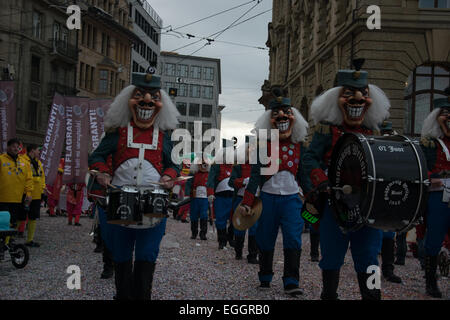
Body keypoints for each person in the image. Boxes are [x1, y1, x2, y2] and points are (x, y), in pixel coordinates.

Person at [302, 61, 391, 300]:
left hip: (366, 206)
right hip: (335, 204)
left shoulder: (374, 132)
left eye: (364, 94)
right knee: (331, 254)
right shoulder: (326, 131)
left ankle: (372, 296)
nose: (358, 99)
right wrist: (321, 182)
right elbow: (309, 159)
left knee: (370, 255)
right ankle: (329, 294)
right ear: (335, 100)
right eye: (349, 94)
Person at [88, 70, 181, 300]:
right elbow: (97, 156)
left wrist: (169, 176)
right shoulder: (117, 133)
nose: (146, 102)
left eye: (153, 97)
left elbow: (175, 164)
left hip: (153, 203)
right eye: (139, 95)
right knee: (120, 252)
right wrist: (102, 173)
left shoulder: (164, 136)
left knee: (147, 253)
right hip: (121, 201)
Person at [236, 88, 310, 296]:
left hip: (292, 200)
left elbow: (304, 176)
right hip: (268, 199)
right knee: (265, 237)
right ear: (269, 120)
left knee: (294, 239)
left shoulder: (299, 146)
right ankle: (265, 276)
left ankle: (291, 280)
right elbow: (256, 177)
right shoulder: (262, 146)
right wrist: (247, 202)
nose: (281, 116)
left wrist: (314, 198)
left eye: (286, 111)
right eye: (275, 113)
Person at [419, 94, 450, 298]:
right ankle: (431, 281)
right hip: (439, 196)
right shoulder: (430, 143)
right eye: (446, 114)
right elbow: (420, 168)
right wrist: (433, 178)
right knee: (435, 239)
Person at [228, 136, 258, 264]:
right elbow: (231, 182)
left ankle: (252, 255)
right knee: (240, 227)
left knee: (255, 228)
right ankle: (238, 252)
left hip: (256, 200)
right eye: (250, 149)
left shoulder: (261, 166)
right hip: (240, 199)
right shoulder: (239, 167)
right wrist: (243, 181)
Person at [0, 138, 33, 245]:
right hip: (3, 198)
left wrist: (28, 193)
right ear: (8, 147)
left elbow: (29, 179)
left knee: (13, 222)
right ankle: (3, 243)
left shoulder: (24, 162)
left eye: (17, 146)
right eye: (13, 146)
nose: (16, 148)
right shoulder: (1, 160)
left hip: (17, 198)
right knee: (3, 223)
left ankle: (6, 243)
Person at [206, 140, 235, 249]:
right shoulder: (216, 166)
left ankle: (231, 238)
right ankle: (222, 241)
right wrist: (210, 193)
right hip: (221, 197)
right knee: (221, 219)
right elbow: (211, 180)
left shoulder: (235, 167)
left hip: (233, 197)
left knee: (234, 219)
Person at [18, 144, 47, 247]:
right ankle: (9, 239)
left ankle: (29, 240)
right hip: (25, 194)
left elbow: (42, 175)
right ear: (32, 151)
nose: (39, 152)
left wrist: (43, 187)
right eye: (37, 150)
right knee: (20, 216)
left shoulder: (38, 162)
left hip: (36, 194)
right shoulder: (22, 160)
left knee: (33, 217)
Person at [184, 158, 210, 240]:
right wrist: (187, 194)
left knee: (204, 215)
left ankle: (203, 233)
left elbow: (212, 184)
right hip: (195, 197)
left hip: (205, 198)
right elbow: (188, 184)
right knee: (194, 215)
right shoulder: (193, 173)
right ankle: (194, 233)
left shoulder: (209, 174)